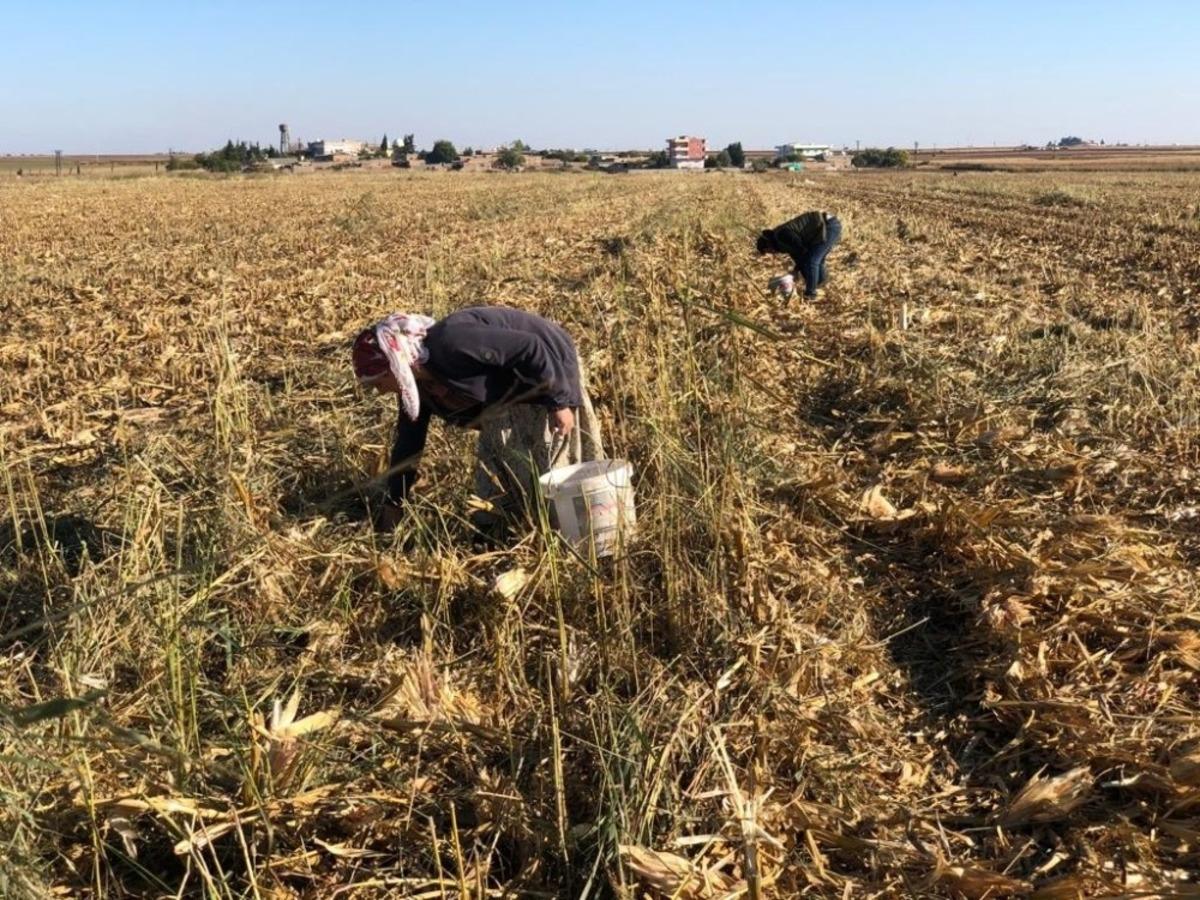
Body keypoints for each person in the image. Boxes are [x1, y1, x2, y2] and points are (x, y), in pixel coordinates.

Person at [352, 306, 604, 533]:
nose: (380, 391)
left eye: (378, 382)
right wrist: (395, 503)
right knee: (496, 477)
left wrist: (558, 402)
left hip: (546, 372)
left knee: (552, 470)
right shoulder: (417, 390)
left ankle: (577, 536)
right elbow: (409, 445)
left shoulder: (451, 343)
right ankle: (504, 533)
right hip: (505, 398)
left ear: (394, 365)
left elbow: (531, 347)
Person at [756, 210, 843, 300]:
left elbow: (803, 250)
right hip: (824, 228)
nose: (771, 254)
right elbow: (799, 258)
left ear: (768, 246)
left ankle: (810, 294)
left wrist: (799, 271)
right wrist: (795, 271)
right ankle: (820, 285)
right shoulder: (780, 243)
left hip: (828, 226)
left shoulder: (782, 235)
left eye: (768, 251)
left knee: (812, 261)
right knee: (813, 262)